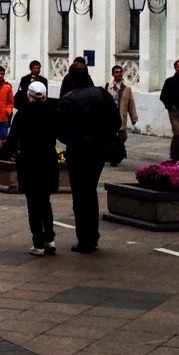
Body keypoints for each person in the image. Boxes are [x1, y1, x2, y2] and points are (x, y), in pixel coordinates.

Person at [57, 65, 121, 253]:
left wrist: (73, 139)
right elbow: (116, 121)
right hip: (98, 150)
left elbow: (60, 130)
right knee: (90, 190)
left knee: (80, 194)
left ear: (72, 78)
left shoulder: (68, 100)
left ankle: (85, 239)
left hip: (78, 151)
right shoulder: (102, 95)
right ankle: (92, 236)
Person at [0, 81, 59, 256]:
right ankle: (50, 239)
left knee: (33, 202)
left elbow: (12, 141)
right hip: (48, 159)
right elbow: (60, 132)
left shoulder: (23, 114)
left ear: (29, 95)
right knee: (45, 201)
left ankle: (38, 243)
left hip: (30, 160)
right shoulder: (52, 111)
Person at [104, 65, 138, 160]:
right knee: (112, 136)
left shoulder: (127, 88)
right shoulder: (108, 86)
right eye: (116, 72)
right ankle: (114, 155)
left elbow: (131, 104)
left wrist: (133, 118)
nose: (119, 74)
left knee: (123, 136)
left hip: (121, 116)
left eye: (120, 72)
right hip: (111, 116)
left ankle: (117, 149)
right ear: (113, 74)